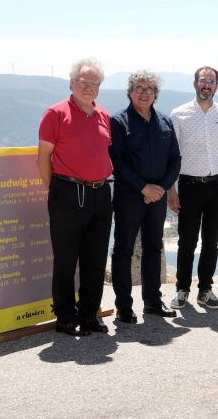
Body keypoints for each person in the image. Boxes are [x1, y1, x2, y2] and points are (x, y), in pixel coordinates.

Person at [37, 58, 112, 336]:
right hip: (67, 192)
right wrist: (57, 191)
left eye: (94, 83)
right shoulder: (55, 113)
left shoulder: (103, 115)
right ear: (71, 83)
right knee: (66, 260)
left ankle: (89, 314)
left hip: (101, 193)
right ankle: (66, 317)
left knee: (96, 259)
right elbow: (43, 158)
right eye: (83, 82)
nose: (88, 87)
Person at [109, 70, 181, 323]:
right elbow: (117, 162)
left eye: (149, 89)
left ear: (155, 94)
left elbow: (175, 159)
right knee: (123, 250)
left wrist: (161, 188)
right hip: (129, 196)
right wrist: (143, 187)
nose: (144, 93)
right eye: (139, 88)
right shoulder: (118, 122)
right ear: (130, 92)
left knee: (153, 247)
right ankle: (124, 306)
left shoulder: (165, 122)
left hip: (157, 197)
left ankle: (152, 302)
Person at [168, 66, 218, 310]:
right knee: (187, 242)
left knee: (212, 241)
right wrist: (171, 190)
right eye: (202, 80)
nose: (206, 85)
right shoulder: (179, 114)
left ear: (216, 86)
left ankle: (205, 290)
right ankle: (182, 289)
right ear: (195, 83)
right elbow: (172, 155)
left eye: (211, 81)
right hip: (189, 186)